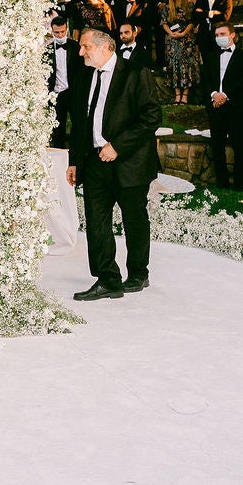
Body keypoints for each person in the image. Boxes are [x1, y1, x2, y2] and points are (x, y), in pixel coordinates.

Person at [64, 24, 162, 300]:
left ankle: (138, 273)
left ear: (105, 47)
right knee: (96, 222)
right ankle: (107, 278)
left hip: (130, 161)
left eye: (85, 46)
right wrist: (75, 161)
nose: (81, 52)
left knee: (134, 219)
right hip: (94, 162)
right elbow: (79, 123)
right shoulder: (84, 75)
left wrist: (118, 146)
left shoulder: (135, 73)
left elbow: (152, 117)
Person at [202, 20, 243, 189]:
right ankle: (222, 182)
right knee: (218, 145)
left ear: (232, 35)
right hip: (215, 106)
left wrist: (224, 95)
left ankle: (239, 183)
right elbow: (206, 79)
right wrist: (214, 95)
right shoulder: (210, 56)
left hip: (235, 106)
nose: (219, 37)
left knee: (239, 145)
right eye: (217, 35)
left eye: (222, 34)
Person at [161, 0, 199, 103]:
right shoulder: (168, 7)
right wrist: (170, 33)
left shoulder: (189, 5)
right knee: (174, 65)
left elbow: (192, 22)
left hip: (186, 41)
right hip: (172, 41)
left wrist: (183, 33)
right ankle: (177, 95)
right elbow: (164, 23)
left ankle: (185, 95)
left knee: (186, 66)